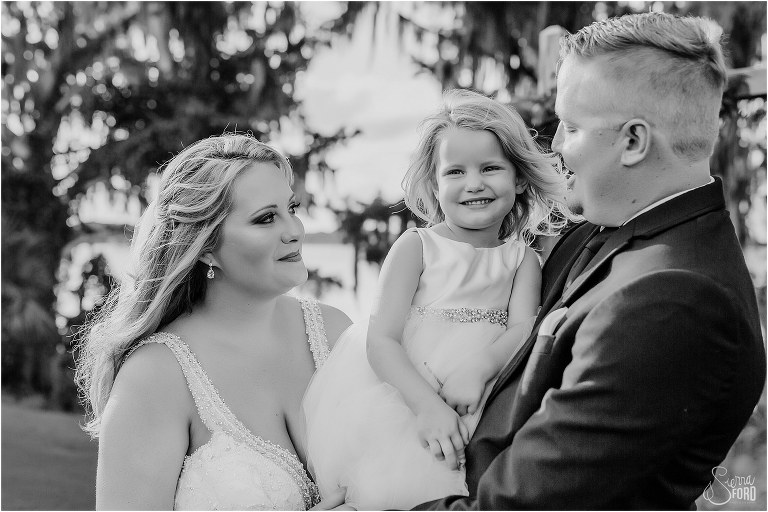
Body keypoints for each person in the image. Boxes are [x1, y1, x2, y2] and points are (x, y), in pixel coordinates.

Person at [415, 12, 766, 510]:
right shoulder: (612, 234)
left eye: (572, 127)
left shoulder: (673, 301)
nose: (555, 146)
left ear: (633, 141)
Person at [303, 89, 571, 510]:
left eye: (490, 168)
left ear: (519, 178)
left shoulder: (522, 260)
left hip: (480, 399)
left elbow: (523, 327)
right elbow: (381, 339)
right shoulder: (416, 246)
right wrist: (426, 407)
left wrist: (481, 367)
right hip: (407, 397)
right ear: (434, 182)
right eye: (455, 172)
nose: (474, 184)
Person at [74, 133, 352, 510]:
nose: (294, 231)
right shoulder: (155, 377)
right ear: (206, 247)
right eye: (266, 218)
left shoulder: (335, 334)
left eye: (292, 208)